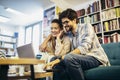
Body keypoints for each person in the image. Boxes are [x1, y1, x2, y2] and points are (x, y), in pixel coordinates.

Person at [44, 8, 110, 80]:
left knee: (68, 58)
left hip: (95, 58)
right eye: (63, 23)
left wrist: (60, 59)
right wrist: (59, 37)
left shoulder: (86, 26)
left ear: (74, 20)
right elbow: (55, 34)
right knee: (54, 59)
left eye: (66, 22)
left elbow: (84, 47)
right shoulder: (69, 34)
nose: (65, 25)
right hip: (79, 59)